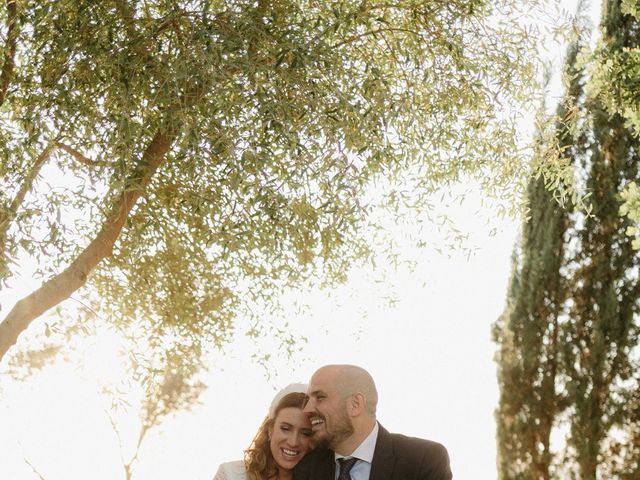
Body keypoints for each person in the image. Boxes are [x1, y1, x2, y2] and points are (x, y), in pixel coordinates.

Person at [294, 365, 452, 480]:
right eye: (308, 399)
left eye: (320, 397)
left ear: (355, 404)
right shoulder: (308, 469)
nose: (307, 409)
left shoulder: (422, 460)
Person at [214, 383, 313, 480]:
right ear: (270, 430)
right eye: (285, 429)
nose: (293, 442)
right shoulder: (231, 474)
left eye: (306, 434)